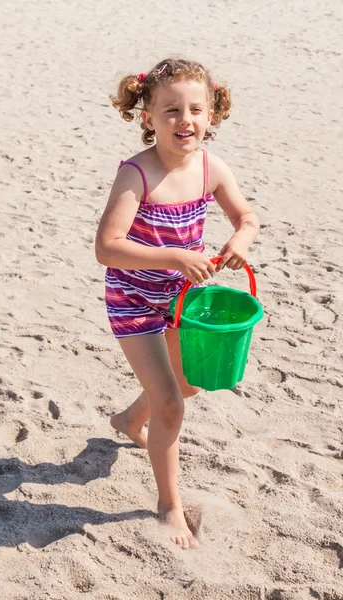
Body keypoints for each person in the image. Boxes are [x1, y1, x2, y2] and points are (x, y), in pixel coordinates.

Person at [95, 58, 259, 550]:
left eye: (194, 109)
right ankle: (169, 506)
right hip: (133, 300)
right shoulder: (136, 174)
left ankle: (128, 420)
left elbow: (247, 216)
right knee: (169, 401)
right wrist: (174, 255)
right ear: (147, 117)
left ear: (211, 113)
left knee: (187, 387)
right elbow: (107, 247)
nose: (183, 120)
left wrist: (241, 240)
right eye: (170, 111)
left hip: (180, 300)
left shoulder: (212, 167)